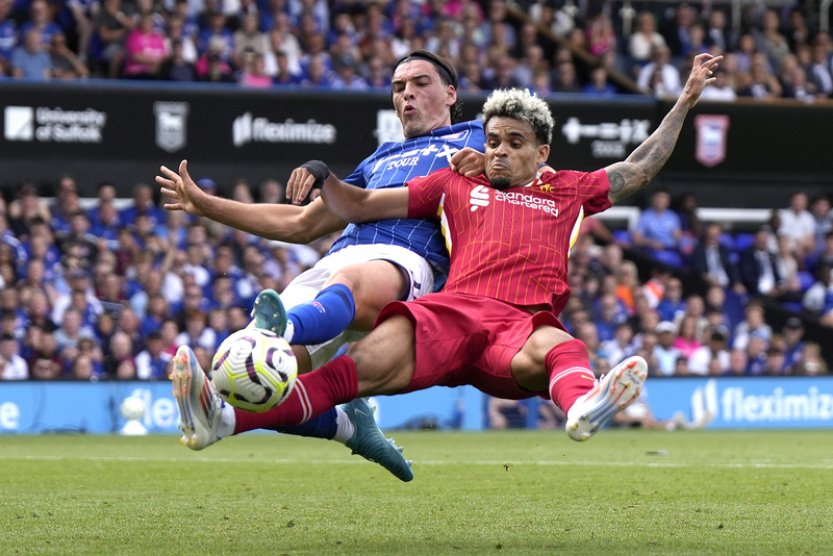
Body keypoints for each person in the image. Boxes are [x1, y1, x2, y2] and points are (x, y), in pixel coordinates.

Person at [169, 53, 723, 478]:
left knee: (562, 348)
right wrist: (321, 174)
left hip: (506, 318)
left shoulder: (557, 185)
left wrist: (687, 99)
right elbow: (337, 212)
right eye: (494, 141)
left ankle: (583, 406)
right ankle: (232, 417)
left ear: (541, 151)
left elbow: (640, 166)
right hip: (443, 313)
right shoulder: (446, 176)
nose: (499, 150)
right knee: (324, 376)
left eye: (513, 142)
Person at [158, 50, 486, 481]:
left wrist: (489, 166)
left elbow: (529, 168)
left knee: (338, 290)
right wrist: (206, 205)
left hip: (409, 260)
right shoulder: (380, 158)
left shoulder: (475, 138)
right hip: (336, 263)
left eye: (420, 83)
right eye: (398, 88)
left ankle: (285, 328)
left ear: (450, 93)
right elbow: (301, 223)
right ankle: (338, 425)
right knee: (253, 374)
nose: (407, 94)